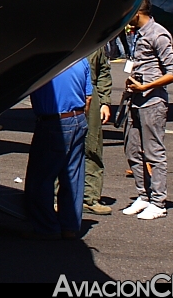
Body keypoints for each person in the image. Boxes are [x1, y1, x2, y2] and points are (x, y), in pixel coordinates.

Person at [121, 0, 173, 220]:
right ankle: (143, 195)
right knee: (133, 150)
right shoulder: (136, 34)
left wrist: (146, 86)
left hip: (152, 102)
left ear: (138, 12)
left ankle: (158, 201)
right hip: (135, 100)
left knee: (154, 153)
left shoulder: (158, 34)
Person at [24, 58, 91, 240]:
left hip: (54, 122)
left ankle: (47, 227)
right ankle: (69, 226)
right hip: (78, 117)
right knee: (73, 176)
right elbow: (88, 96)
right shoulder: (81, 59)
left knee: (41, 178)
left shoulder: (44, 63)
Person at [83, 46, 113, 215]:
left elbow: (103, 71)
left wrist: (105, 102)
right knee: (61, 149)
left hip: (92, 95)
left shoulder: (95, 43)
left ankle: (90, 198)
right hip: (67, 92)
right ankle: (57, 197)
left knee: (92, 147)